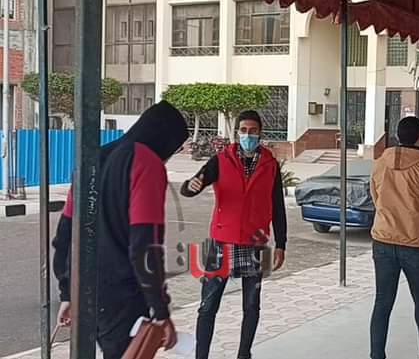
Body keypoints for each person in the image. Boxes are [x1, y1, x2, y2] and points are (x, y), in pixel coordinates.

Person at [52, 101, 189, 358]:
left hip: (86, 290)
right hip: (123, 298)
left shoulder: (93, 159)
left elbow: (65, 234)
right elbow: (144, 245)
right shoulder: (146, 162)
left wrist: (68, 292)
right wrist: (160, 311)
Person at [180, 110, 287, 359]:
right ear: (237, 133)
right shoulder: (220, 160)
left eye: (253, 131)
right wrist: (191, 186)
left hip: (256, 243)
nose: (248, 135)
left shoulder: (270, 165)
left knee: (251, 305)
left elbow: (278, 206)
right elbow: (192, 186)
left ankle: (244, 354)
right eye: (244, 131)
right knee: (208, 306)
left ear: (260, 133)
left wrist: (281, 243)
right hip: (222, 243)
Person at [370, 116, 419, 359]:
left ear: (397, 136)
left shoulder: (380, 163)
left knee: (382, 302)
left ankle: (376, 355)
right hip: (416, 243)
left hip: (383, 240)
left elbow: (375, 197)